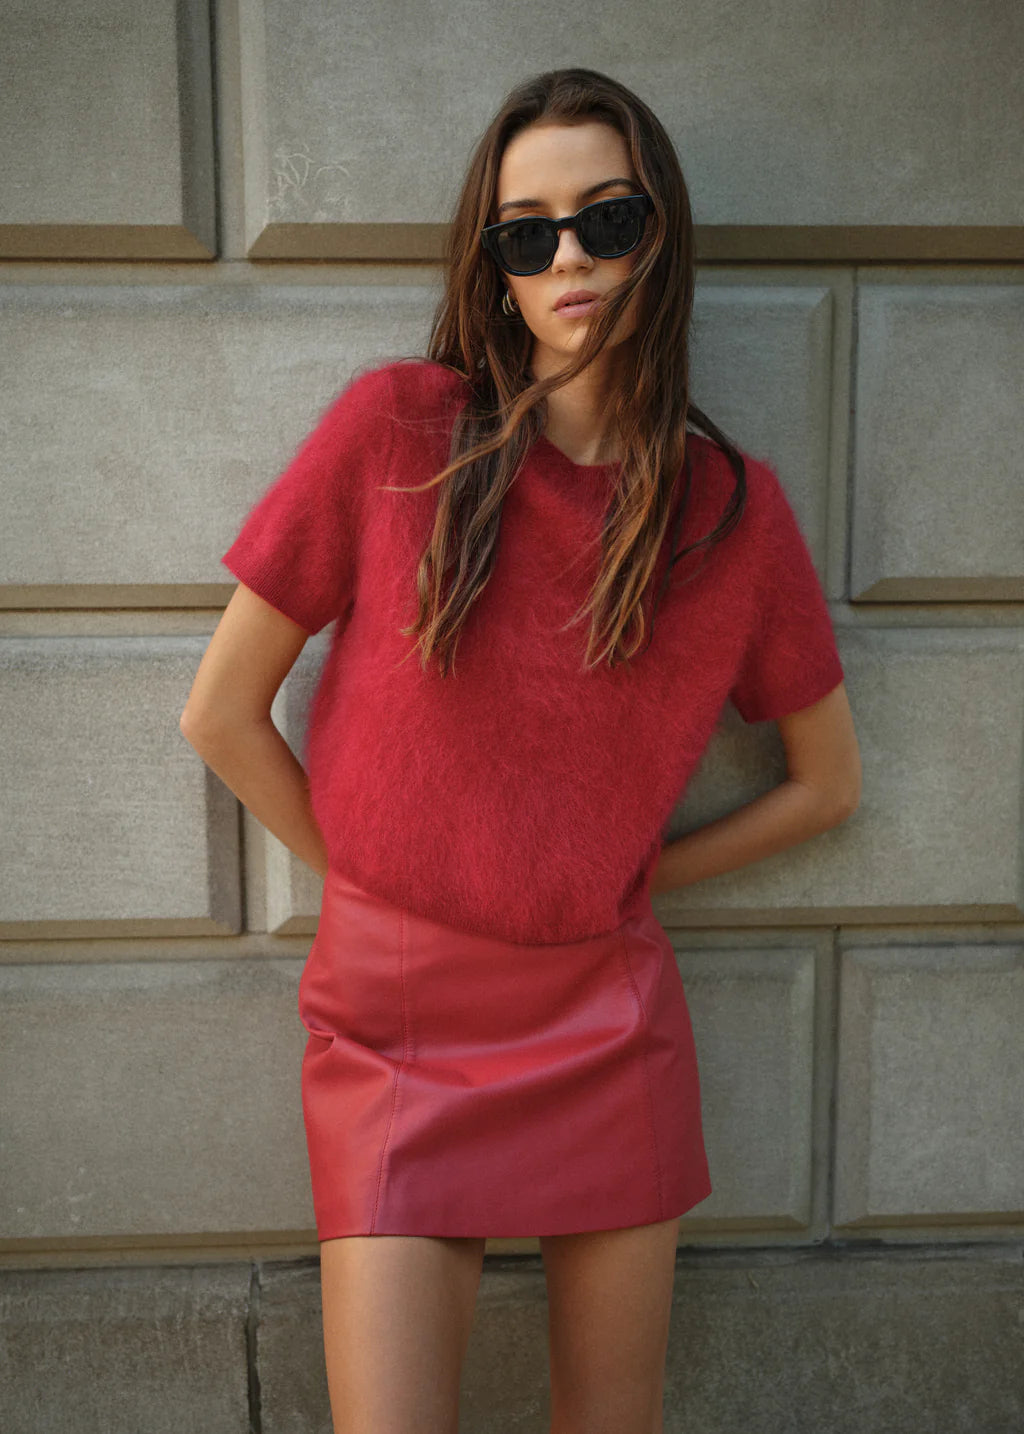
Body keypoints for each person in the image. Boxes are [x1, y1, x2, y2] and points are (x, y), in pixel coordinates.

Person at [181, 65, 860, 1434]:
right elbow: (220, 713)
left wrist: (616, 879)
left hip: (603, 1023)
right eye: (525, 232)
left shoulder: (733, 512)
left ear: (658, 234)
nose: (568, 260)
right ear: (491, 267)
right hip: (391, 1022)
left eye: (604, 222)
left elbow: (827, 787)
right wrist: (376, 881)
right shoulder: (398, 432)